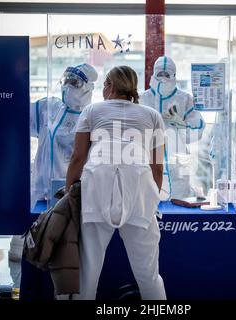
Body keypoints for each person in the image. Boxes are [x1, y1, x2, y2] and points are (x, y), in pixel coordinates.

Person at [65, 65, 167, 300]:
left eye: (104, 85)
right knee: (148, 275)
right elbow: (157, 166)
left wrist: (70, 192)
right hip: (138, 189)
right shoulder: (152, 115)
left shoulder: (91, 111)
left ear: (110, 86)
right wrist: (151, 201)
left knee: (88, 273)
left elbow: (78, 157)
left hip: (97, 187)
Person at [30, 63, 98, 208]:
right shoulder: (48, 107)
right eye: (65, 81)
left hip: (69, 193)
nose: (67, 86)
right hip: (39, 191)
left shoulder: (92, 117)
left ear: (88, 88)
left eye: (74, 82)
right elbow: (17, 118)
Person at [140, 56, 205, 200]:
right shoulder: (142, 99)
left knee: (179, 209)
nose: (163, 78)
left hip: (177, 166)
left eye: (167, 75)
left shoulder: (185, 99)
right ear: (153, 74)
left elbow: (197, 132)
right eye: (159, 74)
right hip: (148, 163)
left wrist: (181, 124)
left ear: (174, 75)